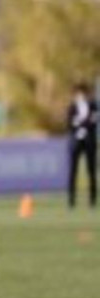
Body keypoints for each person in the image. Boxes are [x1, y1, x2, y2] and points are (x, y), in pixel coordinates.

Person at [66, 81, 98, 209]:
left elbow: (93, 121)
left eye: (83, 93)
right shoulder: (72, 107)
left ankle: (93, 199)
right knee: (73, 171)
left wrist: (80, 124)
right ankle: (71, 200)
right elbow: (70, 124)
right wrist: (81, 125)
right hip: (76, 142)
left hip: (89, 142)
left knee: (91, 170)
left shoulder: (93, 106)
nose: (81, 96)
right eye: (79, 93)